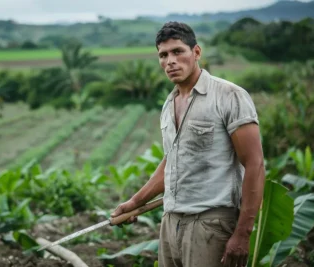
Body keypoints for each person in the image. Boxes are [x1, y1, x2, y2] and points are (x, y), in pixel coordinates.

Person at [111, 21, 265, 267]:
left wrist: (243, 233)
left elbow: (255, 163)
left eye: (177, 51)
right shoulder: (168, 103)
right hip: (171, 222)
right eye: (163, 55)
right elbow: (172, 160)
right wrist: (135, 202)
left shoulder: (229, 96)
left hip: (210, 223)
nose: (170, 61)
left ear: (196, 52)